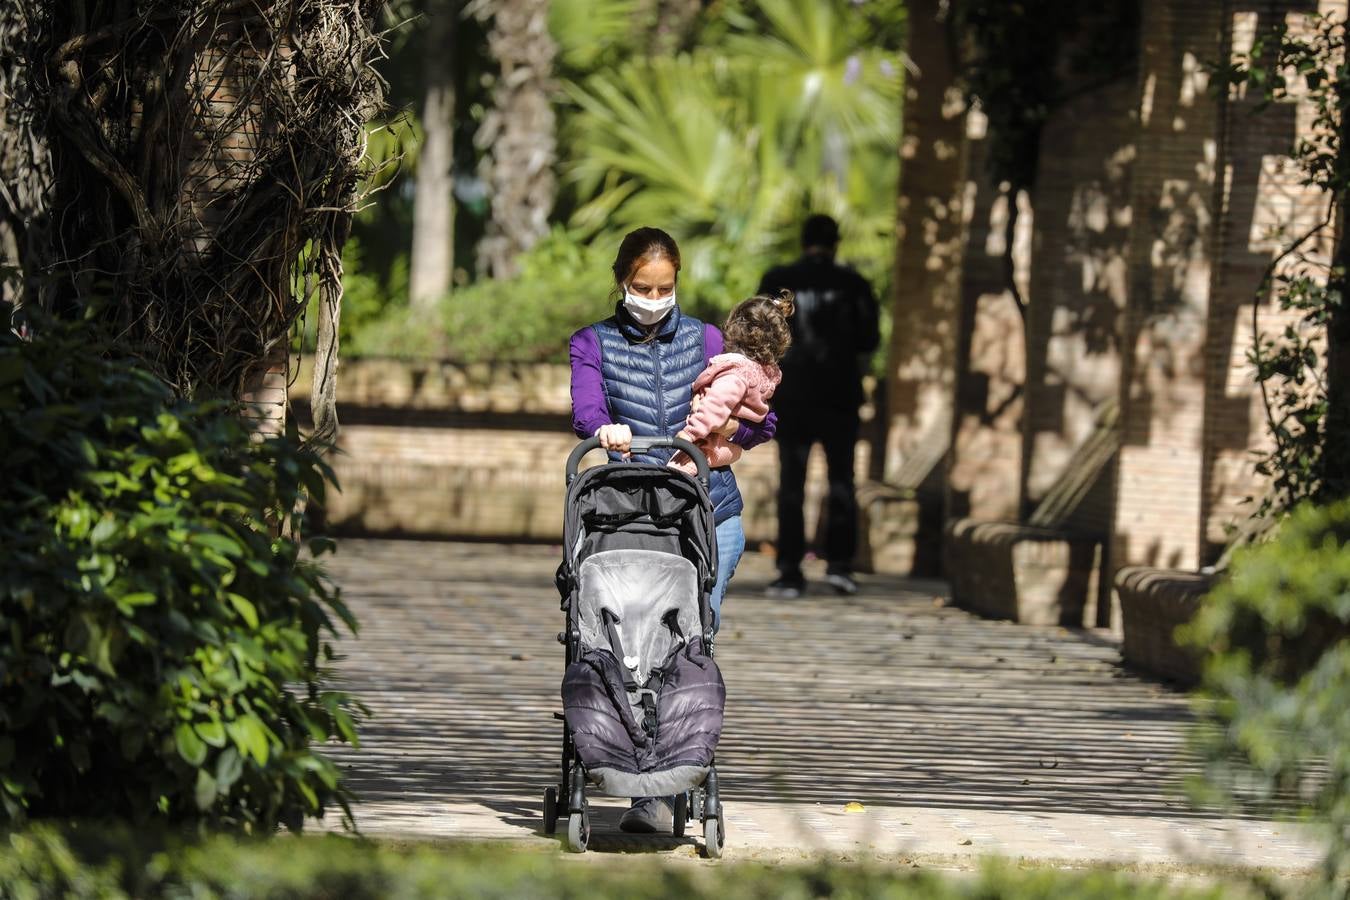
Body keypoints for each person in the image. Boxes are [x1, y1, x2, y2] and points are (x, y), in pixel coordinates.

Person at [568, 226, 777, 834]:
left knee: (687, 643)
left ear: (677, 282)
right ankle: (645, 790)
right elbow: (587, 409)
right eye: (641, 287)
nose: (653, 297)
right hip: (630, 518)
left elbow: (761, 418)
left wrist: (730, 442)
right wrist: (606, 432)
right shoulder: (593, 342)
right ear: (622, 283)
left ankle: (676, 771)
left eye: (664, 287)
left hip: (709, 516)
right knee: (633, 646)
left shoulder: (710, 340)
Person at [758, 214, 879, 598]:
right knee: (842, 480)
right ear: (836, 242)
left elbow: (759, 331)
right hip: (840, 396)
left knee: (792, 482)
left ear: (802, 240)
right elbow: (869, 340)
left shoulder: (778, 280)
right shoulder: (855, 285)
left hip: (792, 394)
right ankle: (840, 566)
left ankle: (790, 570)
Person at [669, 291, 794, 513]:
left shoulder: (735, 374)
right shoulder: (760, 373)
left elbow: (715, 408)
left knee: (674, 475)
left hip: (708, 442)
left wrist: (689, 435)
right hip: (726, 447)